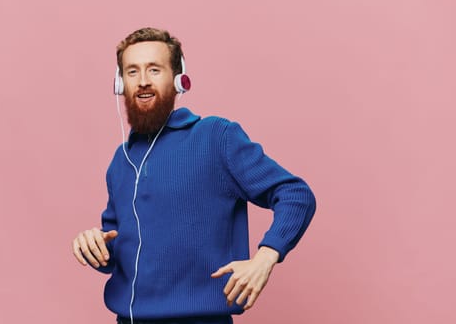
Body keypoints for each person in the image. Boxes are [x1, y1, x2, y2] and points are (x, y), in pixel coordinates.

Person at [72, 27, 316, 324]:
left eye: (154, 69)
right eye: (132, 72)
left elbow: (296, 194)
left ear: (179, 80)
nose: (143, 81)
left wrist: (266, 257)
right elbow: (118, 246)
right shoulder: (120, 161)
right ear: (120, 83)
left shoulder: (216, 138)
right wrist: (94, 244)